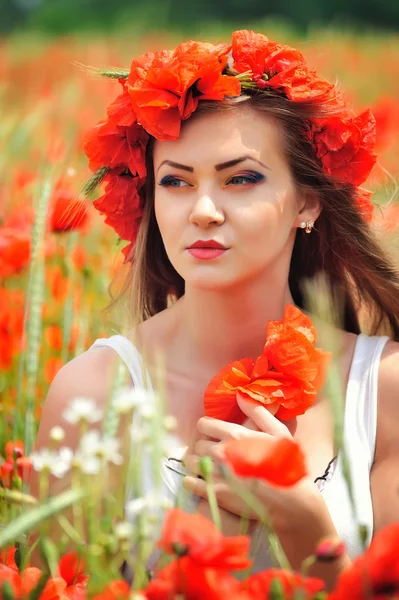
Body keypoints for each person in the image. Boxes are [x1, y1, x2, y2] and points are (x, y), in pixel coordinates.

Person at [31, 30, 399, 590]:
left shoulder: (385, 389)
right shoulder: (93, 393)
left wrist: (305, 526)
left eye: (241, 178)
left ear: (307, 201)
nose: (202, 210)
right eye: (175, 181)